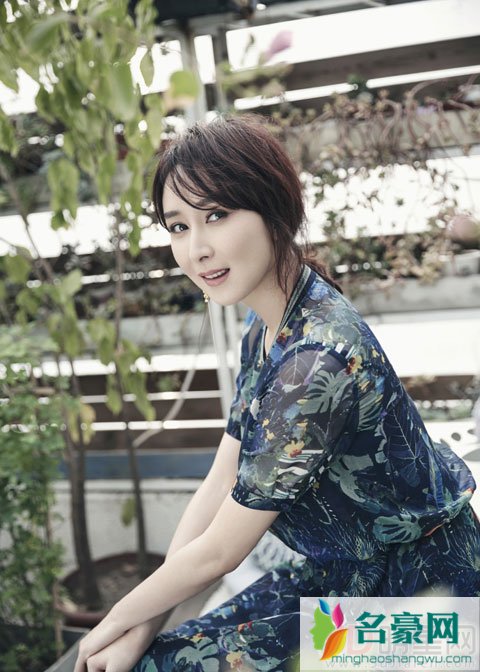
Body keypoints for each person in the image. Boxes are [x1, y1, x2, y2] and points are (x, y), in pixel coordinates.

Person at [74, 113, 480, 672]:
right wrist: (140, 627)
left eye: (216, 215)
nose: (196, 249)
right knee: (157, 656)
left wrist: (111, 625)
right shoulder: (269, 324)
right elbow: (221, 480)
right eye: (178, 226)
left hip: (426, 605)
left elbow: (221, 551)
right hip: (346, 575)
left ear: (273, 207)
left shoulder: (314, 363)